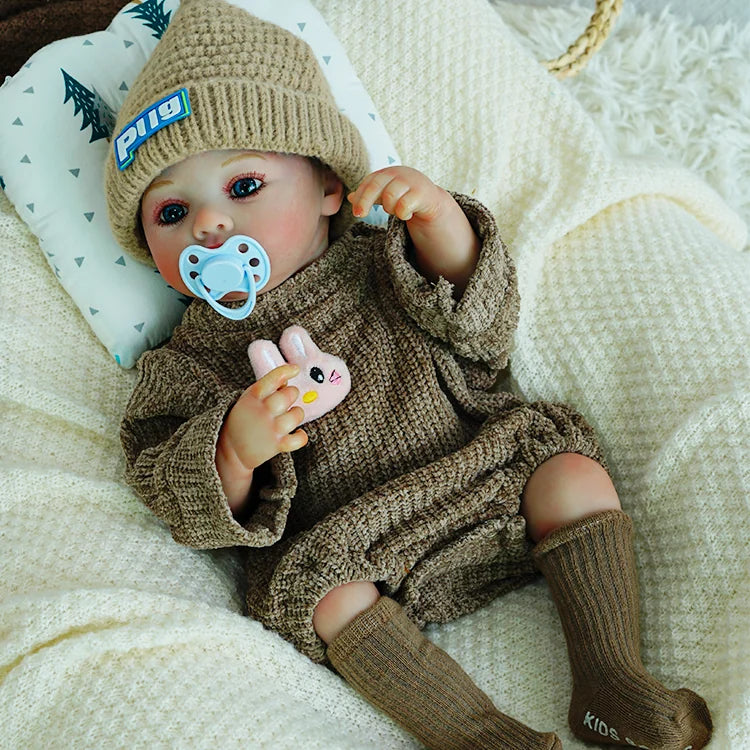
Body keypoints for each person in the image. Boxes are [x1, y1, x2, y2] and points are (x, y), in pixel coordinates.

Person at [104, 1, 712, 748]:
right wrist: (233, 449)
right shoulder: (188, 363)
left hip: (482, 473)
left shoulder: (377, 261)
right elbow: (172, 491)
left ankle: (609, 679)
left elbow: (480, 324)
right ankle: (480, 735)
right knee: (328, 602)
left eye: (242, 188)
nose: (209, 226)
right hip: (355, 545)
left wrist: (436, 222)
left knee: (571, 471)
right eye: (170, 212)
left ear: (330, 188)